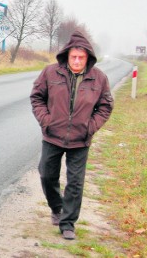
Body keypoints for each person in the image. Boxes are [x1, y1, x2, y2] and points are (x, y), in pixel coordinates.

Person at [29, 31, 114, 240]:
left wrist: (90, 127)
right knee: (47, 175)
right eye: (73, 56)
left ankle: (68, 223)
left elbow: (105, 106)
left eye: (81, 57)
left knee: (75, 183)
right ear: (67, 55)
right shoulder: (50, 73)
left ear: (88, 58)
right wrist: (46, 120)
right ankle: (57, 208)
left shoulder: (99, 78)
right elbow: (37, 97)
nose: (77, 61)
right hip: (53, 135)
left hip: (80, 139)